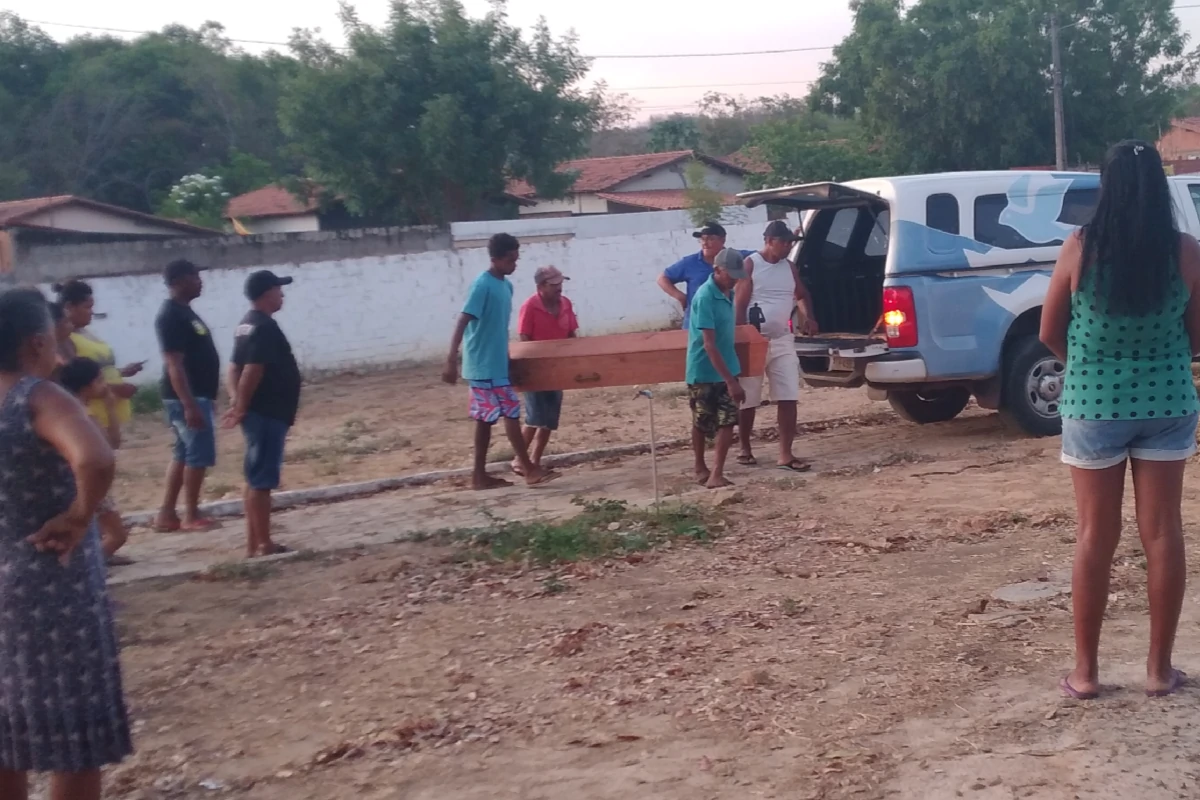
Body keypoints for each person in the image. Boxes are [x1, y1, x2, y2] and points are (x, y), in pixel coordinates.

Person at [1040, 140, 1200, 700]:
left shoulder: (1080, 247)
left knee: (1094, 536)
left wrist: (1086, 367)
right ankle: (1159, 671)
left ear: (1106, 187)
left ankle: (1085, 674)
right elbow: (1197, 336)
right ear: (1159, 188)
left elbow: (1048, 332)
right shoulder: (1185, 250)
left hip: (1093, 406)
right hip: (1167, 403)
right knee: (1162, 533)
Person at [0, 288, 132, 800]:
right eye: (56, 343)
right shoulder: (37, 396)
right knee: (75, 738)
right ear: (36, 344)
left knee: (6, 736)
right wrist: (80, 517)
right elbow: (96, 459)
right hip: (49, 585)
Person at [442, 233, 556, 490]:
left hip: (497, 364)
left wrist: (507, 360)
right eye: (510, 260)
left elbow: (499, 328)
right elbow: (463, 320)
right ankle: (526, 469)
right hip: (481, 365)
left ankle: (483, 475)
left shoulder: (506, 286)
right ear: (495, 260)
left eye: (516, 259)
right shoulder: (482, 285)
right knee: (506, 413)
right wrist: (451, 360)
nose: (514, 265)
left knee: (497, 416)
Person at [55, 279, 144, 564]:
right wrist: (111, 392)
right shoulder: (63, 347)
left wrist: (118, 376)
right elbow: (76, 374)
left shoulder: (83, 336)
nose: (91, 312)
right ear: (68, 309)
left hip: (99, 409)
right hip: (89, 411)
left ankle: (97, 550)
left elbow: (95, 371)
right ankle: (93, 558)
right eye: (87, 306)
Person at [223, 270, 301, 558]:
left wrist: (236, 400)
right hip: (267, 411)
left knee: (256, 476)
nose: (282, 294)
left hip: (261, 411)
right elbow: (253, 369)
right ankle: (264, 543)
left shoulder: (245, 325)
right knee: (262, 479)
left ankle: (254, 543)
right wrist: (241, 405)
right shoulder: (264, 326)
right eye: (279, 289)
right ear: (267, 292)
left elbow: (233, 368)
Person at [734, 219, 818, 472]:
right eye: (783, 242)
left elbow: (802, 294)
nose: (787, 247)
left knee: (788, 395)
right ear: (769, 241)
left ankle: (785, 454)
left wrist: (808, 317)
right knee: (749, 398)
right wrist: (741, 339)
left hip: (782, 338)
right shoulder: (750, 264)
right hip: (755, 339)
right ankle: (745, 447)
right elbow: (739, 304)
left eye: (790, 243)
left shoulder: (789, 267)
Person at [154, 259, 221, 533]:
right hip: (187, 397)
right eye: (194, 276)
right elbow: (174, 363)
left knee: (183, 453)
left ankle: (167, 514)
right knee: (198, 454)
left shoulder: (186, 312)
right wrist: (189, 404)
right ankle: (191, 514)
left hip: (198, 395)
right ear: (179, 281)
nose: (200, 281)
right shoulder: (171, 316)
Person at [59, 357, 133, 565]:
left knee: (93, 535)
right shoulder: (85, 416)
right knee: (117, 536)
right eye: (100, 380)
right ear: (88, 386)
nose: (104, 385)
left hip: (78, 483)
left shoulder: (68, 411)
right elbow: (113, 443)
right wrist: (110, 408)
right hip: (93, 485)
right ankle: (86, 569)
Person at [687, 248, 748, 489]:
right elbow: (709, 345)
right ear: (717, 270)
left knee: (728, 420)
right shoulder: (704, 297)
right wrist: (731, 382)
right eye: (730, 274)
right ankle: (699, 466)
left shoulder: (729, 294)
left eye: (736, 274)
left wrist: (733, 376)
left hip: (727, 366)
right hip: (703, 369)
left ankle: (717, 472)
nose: (734, 279)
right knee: (702, 420)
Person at [512, 265, 579, 475]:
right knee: (535, 415)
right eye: (554, 284)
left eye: (560, 283)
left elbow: (571, 333)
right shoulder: (530, 306)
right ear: (541, 286)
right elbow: (524, 338)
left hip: (557, 367)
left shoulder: (565, 304)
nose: (559, 288)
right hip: (536, 368)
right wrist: (530, 366)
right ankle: (518, 460)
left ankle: (534, 460)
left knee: (549, 418)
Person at [658, 221, 729, 329]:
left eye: (710, 239)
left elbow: (759, 257)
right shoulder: (690, 262)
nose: (705, 243)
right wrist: (680, 296)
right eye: (702, 239)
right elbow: (662, 278)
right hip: (695, 324)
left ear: (722, 240)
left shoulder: (735, 259)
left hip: (724, 322)